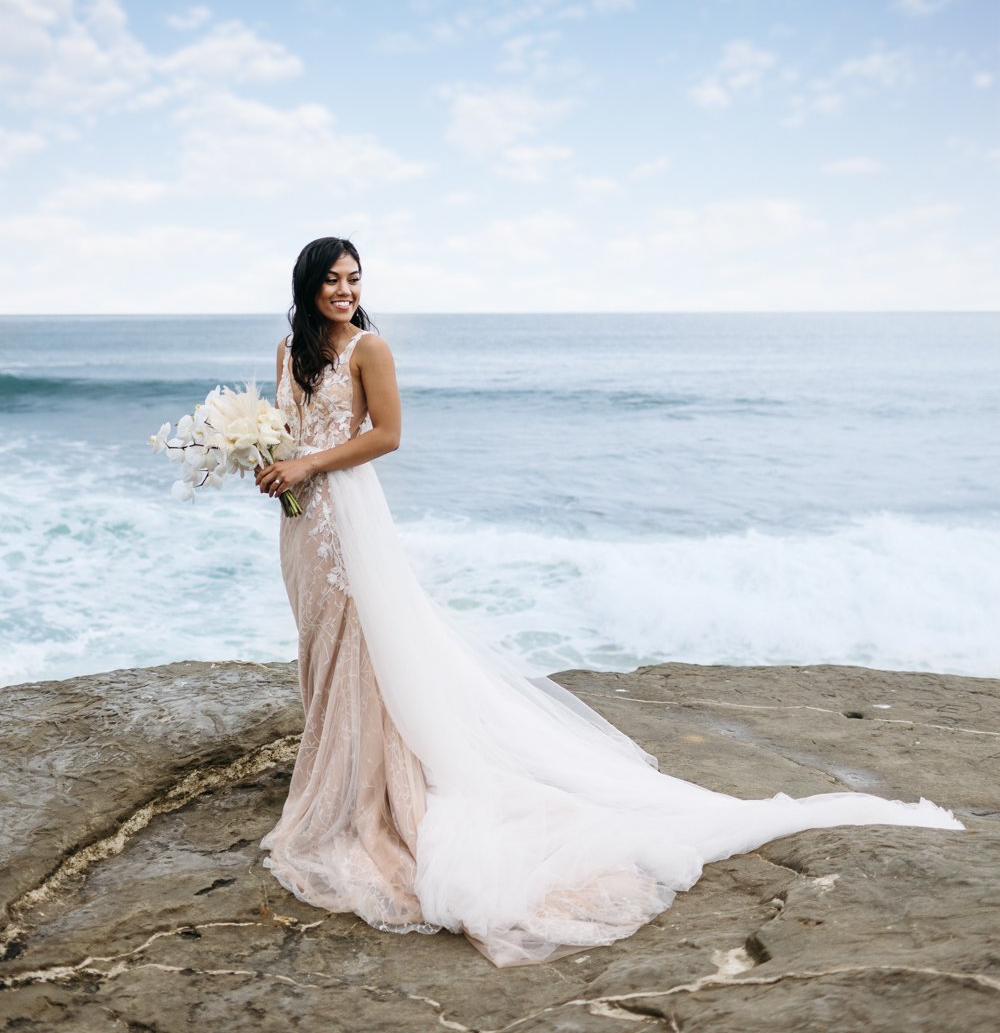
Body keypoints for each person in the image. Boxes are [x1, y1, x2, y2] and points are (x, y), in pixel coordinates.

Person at [256, 237, 963, 969]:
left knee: (364, 639)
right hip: (302, 521)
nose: (345, 289)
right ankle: (332, 759)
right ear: (308, 285)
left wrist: (309, 462)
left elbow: (389, 435)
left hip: (351, 520)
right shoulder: (289, 351)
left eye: (354, 278)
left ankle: (364, 784)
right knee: (320, 637)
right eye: (332, 280)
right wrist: (262, 456)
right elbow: (285, 428)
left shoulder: (370, 348)